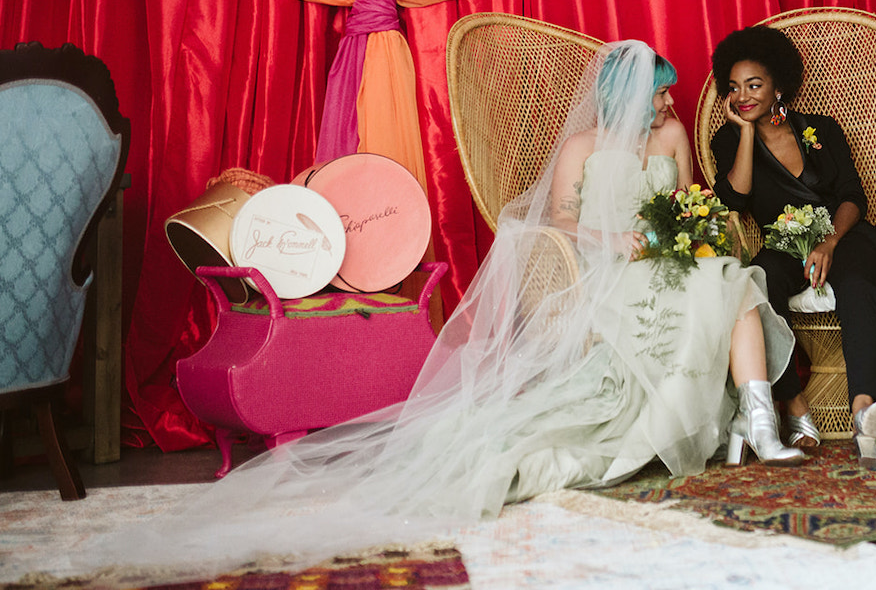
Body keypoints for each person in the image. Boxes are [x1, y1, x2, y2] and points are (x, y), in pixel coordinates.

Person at [80, 40, 799, 581]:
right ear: (630, 97)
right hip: (600, 267)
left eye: (668, 97)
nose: (671, 107)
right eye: (659, 96)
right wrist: (613, 238)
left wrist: (682, 235)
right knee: (705, 298)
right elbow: (557, 220)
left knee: (728, 280)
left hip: (659, 260)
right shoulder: (581, 146)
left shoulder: (671, 140)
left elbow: (685, 206)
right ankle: (727, 424)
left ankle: (758, 429)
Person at [709, 26, 876, 468]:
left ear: (779, 86)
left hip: (844, 235)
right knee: (757, 288)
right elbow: (735, 201)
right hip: (782, 243)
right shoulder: (727, 140)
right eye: (735, 88)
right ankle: (794, 407)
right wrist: (743, 131)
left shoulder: (822, 130)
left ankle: (863, 410)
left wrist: (831, 241)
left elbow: (854, 195)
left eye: (755, 85)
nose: (744, 95)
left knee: (858, 282)